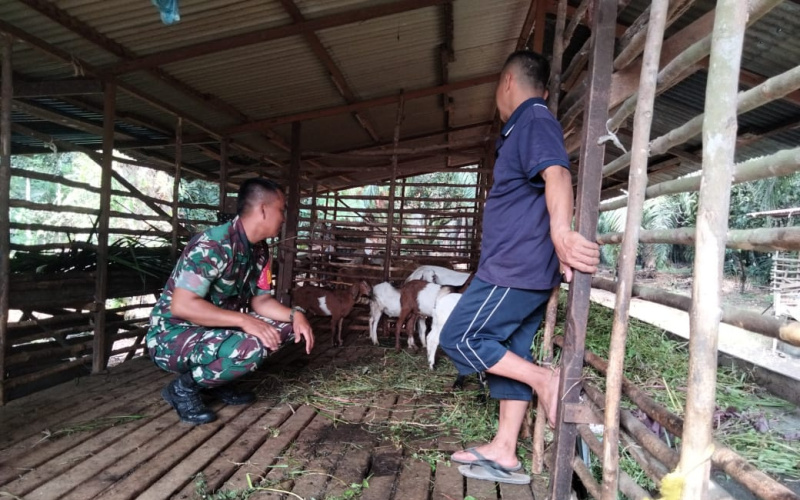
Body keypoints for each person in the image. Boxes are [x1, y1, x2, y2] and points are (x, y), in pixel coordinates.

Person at [438, 50, 600, 484]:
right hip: (522, 269)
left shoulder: (534, 119)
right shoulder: (524, 126)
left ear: (508, 81)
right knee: (508, 348)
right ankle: (505, 449)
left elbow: (557, 174)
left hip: (513, 268)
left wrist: (562, 233)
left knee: (459, 337)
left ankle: (544, 380)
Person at [147, 178, 314, 425]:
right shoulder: (212, 244)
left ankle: (218, 381)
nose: (283, 217)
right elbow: (182, 306)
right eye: (281, 210)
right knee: (250, 347)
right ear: (263, 210)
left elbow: (262, 301)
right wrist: (243, 320)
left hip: (215, 331)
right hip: (172, 336)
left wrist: (295, 315)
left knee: (287, 328)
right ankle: (183, 389)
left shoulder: (260, 250)